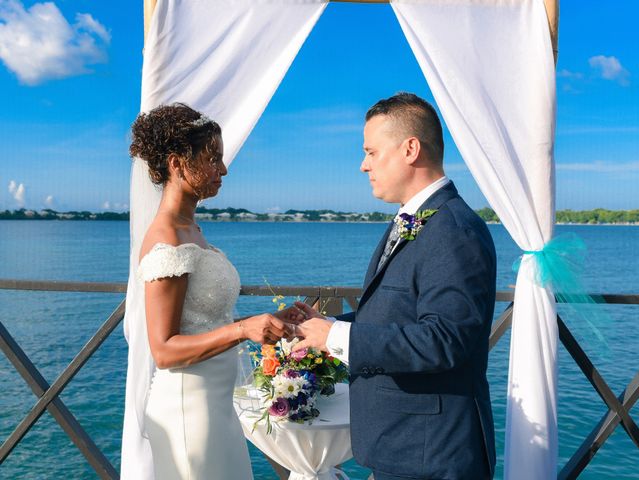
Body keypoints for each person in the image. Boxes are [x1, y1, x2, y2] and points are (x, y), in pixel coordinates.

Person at [293, 93, 497, 480]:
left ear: (410, 149)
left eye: (371, 152)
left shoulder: (454, 231)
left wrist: (337, 336)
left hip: (431, 454)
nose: (363, 164)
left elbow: (445, 339)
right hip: (402, 447)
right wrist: (321, 327)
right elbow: (398, 312)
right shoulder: (414, 220)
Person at [126, 103, 297, 479]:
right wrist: (242, 330)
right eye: (212, 158)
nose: (223, 169)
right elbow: (164, 350)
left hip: (217, 404)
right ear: (176, 163)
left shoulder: (193, 230)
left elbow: (202, 323)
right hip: (189, 410)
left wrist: (261, 323)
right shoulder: (167, 238)